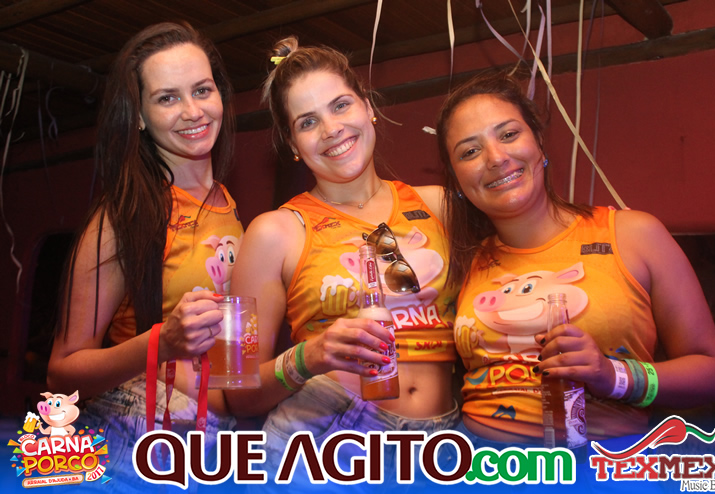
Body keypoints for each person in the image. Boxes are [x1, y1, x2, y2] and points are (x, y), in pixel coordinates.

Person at [434, 69, 715, 451]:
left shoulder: (632, 234)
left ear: (539, 143)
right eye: (469, 152)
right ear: (456, 179)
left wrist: (612, 376)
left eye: (508, 134)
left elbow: (714, 375)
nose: (496, 158)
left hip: (601, 465)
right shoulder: (463, 260)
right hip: (482, 466)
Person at [226, 36, 460, 481]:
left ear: (368, 107)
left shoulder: (439, 205)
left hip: (443, 445)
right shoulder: (271, 232)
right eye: (307, 121)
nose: (331, 128)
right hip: (325, 442)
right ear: (292, 143)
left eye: (340, 106)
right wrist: (309, 356)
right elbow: (234, 391)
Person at [46, 21, 241, 487]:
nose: (193, 111)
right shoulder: (123, 216)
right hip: (142, 438)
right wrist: (162, 343)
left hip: (215, 440)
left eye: (202, 90)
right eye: (167, 98)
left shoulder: (228, 204)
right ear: (139, 116)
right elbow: (62, 375)